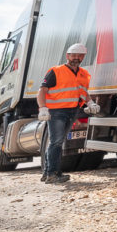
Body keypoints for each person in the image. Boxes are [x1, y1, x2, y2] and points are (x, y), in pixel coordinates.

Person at [37, 43, 90, 183]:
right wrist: (42, 108)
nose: (76, 58)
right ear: (67, 56)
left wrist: (91, 103)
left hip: (72, 111)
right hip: (56, 112)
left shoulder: (83, 74)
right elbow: (42, 90)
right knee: (56, 142)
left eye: (80, 55)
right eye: (74, 55)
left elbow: (83, 92)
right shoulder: (56, 71)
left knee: (57, 142)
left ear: (83, 57)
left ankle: (48, 173)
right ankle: (53, 173)